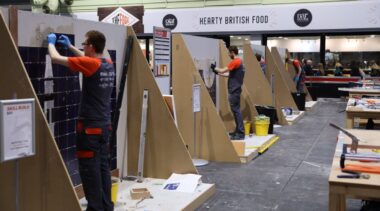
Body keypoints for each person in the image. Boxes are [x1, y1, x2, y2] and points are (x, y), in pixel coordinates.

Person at [47, 31, 114, 211]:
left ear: (91, 45)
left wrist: (51, 43)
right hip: (104, 127)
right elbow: (87, 59)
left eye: (85, 43)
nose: (83, 46)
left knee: (89, 172)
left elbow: (55, 58)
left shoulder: (90, 64)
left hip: (89, 130)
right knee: (102, 169)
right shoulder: (107, 63)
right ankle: (106, 207)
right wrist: (70, 46)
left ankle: (94, 208)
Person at [211, 46, 245, 140]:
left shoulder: (236, 61)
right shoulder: (240, 62)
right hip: (235, 90)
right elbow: (229, 75)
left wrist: (215, 67)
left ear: (232, 52)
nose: (228, 55)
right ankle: (238, 131)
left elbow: (223, 70)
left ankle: (241, 133)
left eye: (229, 53)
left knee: (236, 111)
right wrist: (218, 73)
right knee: (236, 111)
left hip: (234, 91)